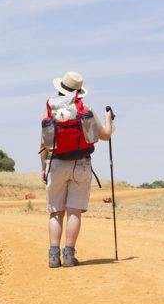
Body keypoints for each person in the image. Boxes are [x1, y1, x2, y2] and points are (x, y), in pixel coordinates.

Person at [39, 71, 114, 268]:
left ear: (60, 89)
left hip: (56, 164)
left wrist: (43, 168)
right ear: (79, 92)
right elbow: (105, 135)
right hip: (81, 164)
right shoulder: (86, 110)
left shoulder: (50, 111)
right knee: (74, 211)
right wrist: (109, 120)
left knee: (56, 212)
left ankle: (53, 256)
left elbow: (44, 144)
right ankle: (69, 256)